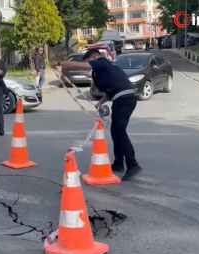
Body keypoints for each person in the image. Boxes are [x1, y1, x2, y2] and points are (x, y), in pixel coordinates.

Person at [50, 49, 142, 181]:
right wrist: (100, 102)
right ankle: (118, 164)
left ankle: (133, 164)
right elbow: (112, 90)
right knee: (116, 132)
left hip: (124, 100)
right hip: (122, 99)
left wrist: (59, 62)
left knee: (120, 132)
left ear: (94, 57)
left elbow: (79, 65)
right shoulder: (109, 69)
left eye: (89, 62)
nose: (89, 66)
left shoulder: (101, 62)